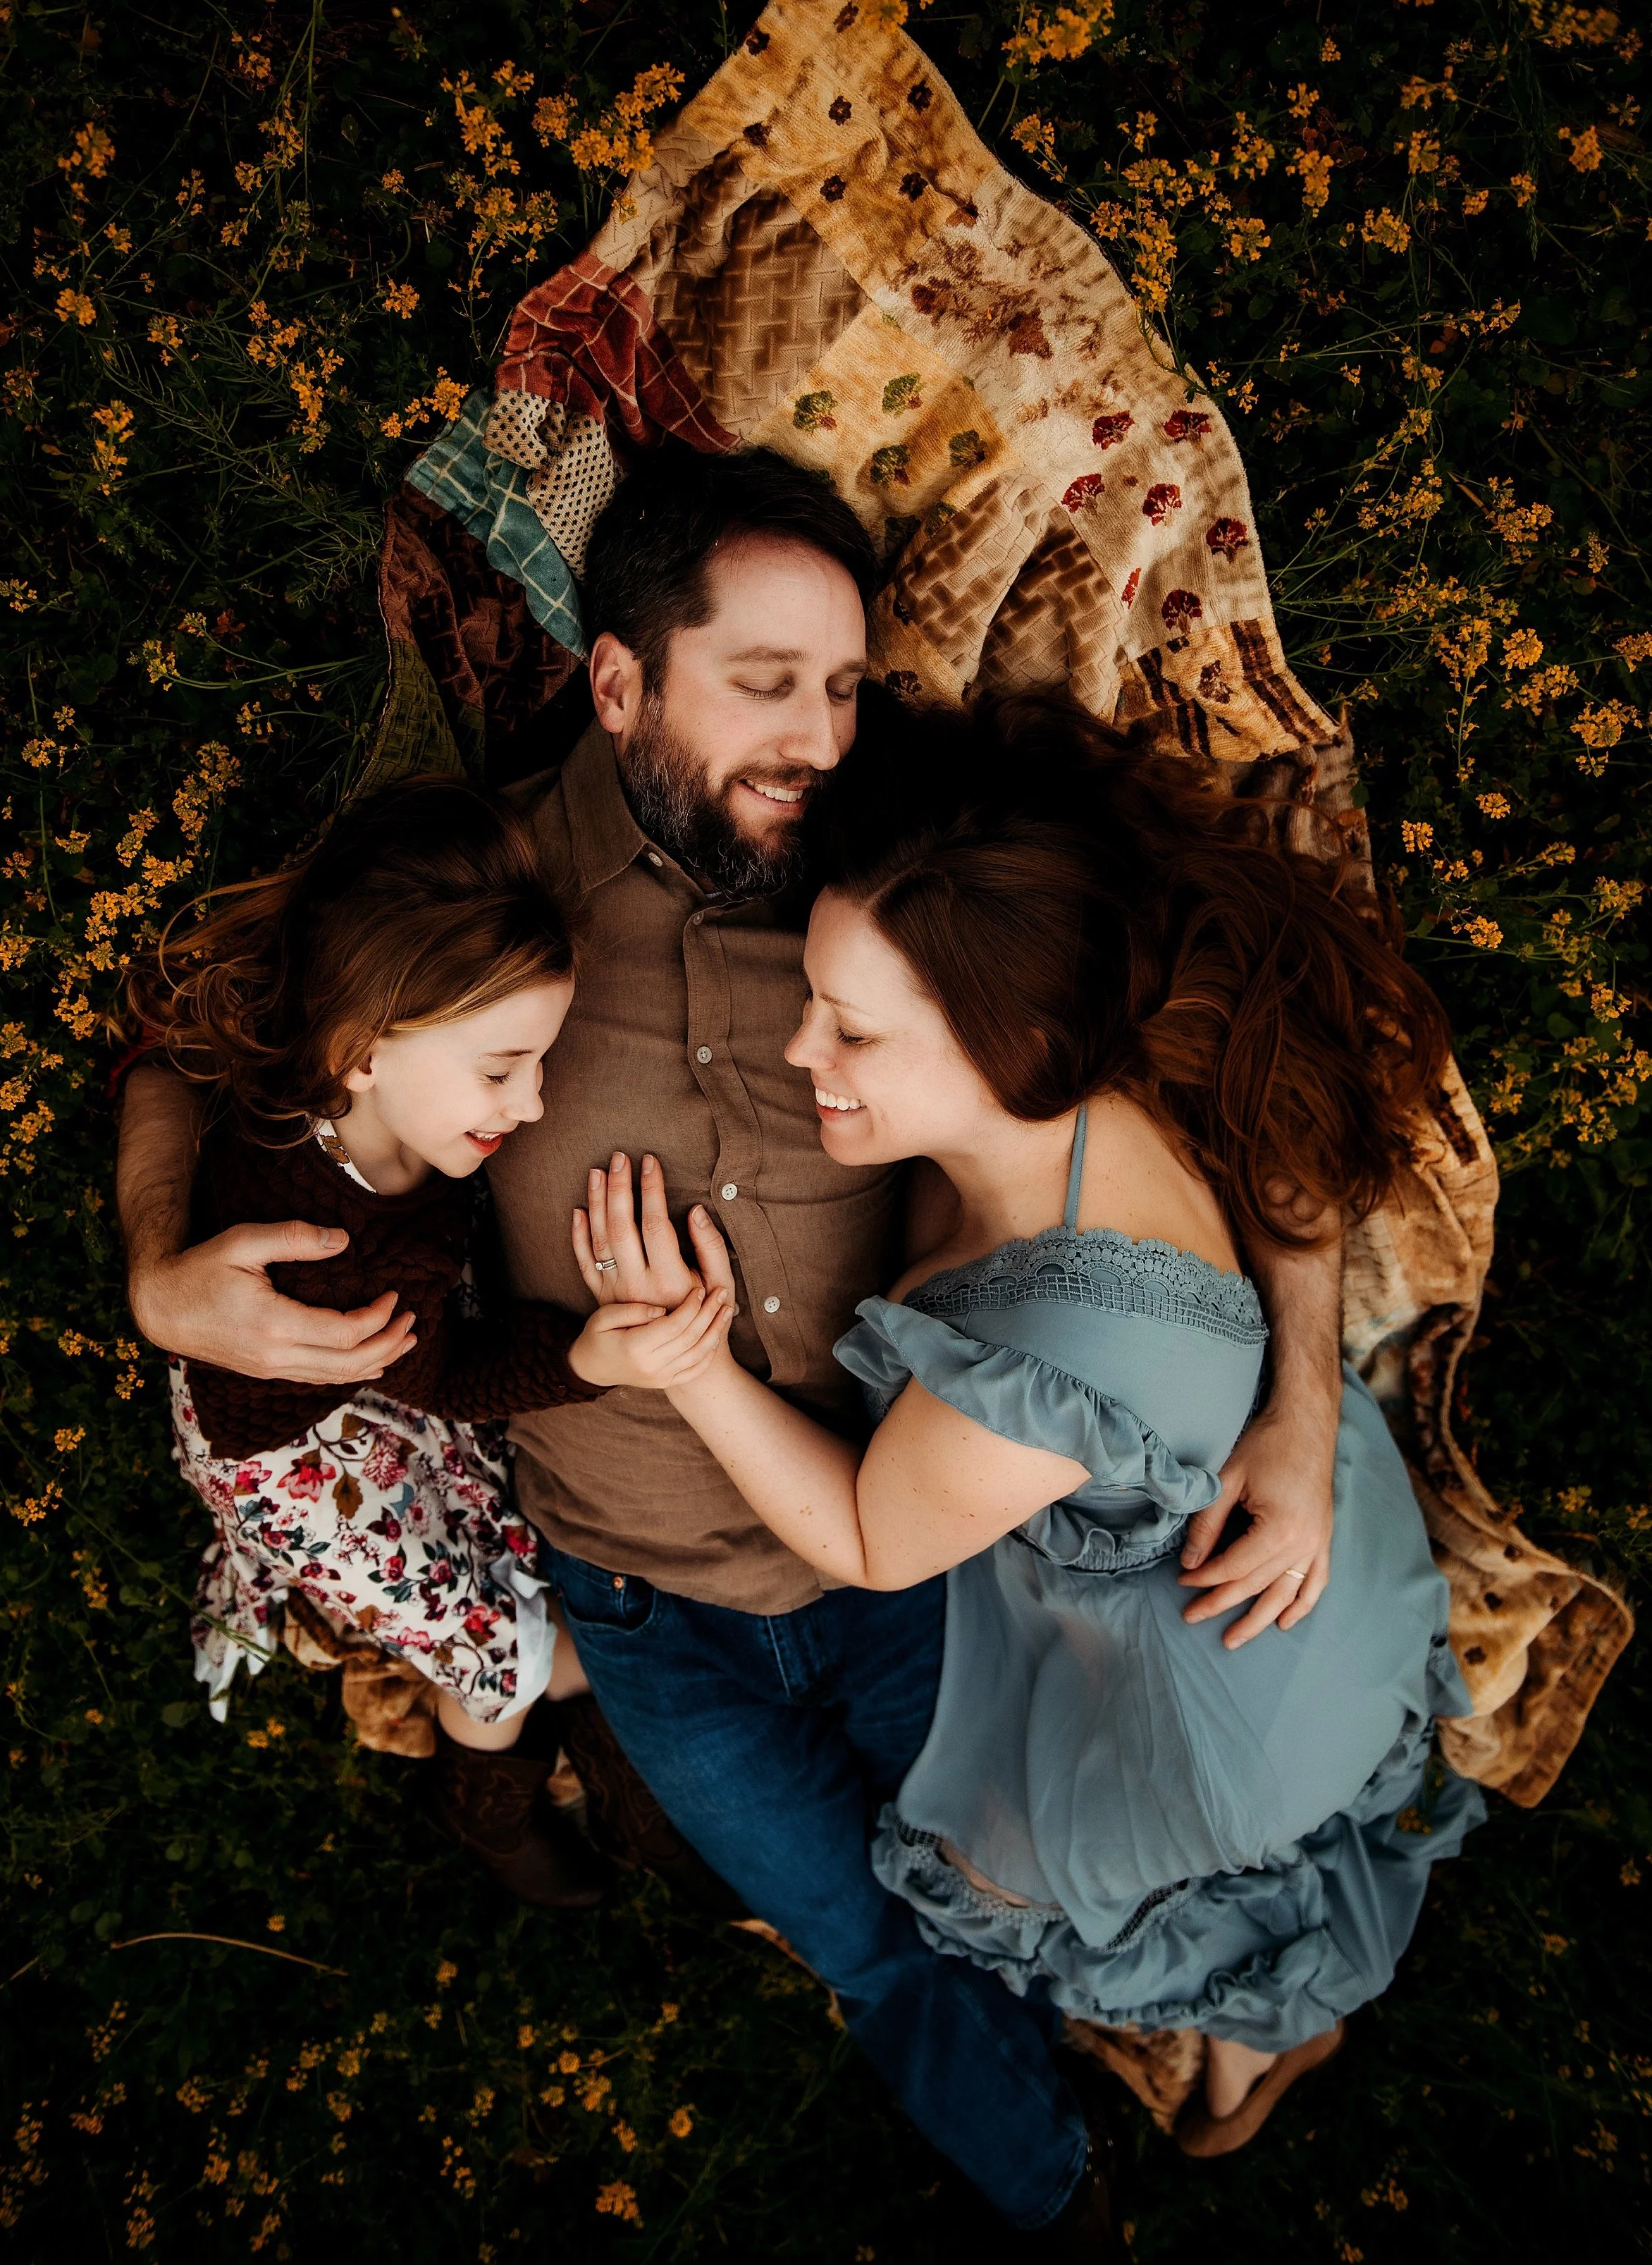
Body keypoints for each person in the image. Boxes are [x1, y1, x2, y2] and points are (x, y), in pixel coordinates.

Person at [116, 446, 1348, 2249]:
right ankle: (1060, 2194)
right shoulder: (479, 892)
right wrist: (157, 1268)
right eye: (763, 686)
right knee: (860, 1937)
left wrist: (1302, 1404)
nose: (818, 740)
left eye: (843, 688)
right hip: (639, 1606)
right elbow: (177, 1044)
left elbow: (1264, 1067)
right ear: (618, 684)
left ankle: (1215, 2011)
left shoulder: (914, 883)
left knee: (1031, 1877)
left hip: (919, 1558)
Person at [596, 688, 1484, 2156]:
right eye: (816, 999)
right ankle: (1278, 1999)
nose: (803, 1050)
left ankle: (1276, 2013)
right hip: (1285, 1519)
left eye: (853, 1031)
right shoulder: (1093, 1041)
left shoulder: (1067, 1343)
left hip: (1217, 1686)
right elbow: (1294, 1150)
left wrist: (686, 1360)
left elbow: (875, 1538)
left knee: (1022, 1882)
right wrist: (1302, 1403)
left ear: (1005, 1036)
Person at [125, 776, 731, 1908]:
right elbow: (453, 1381)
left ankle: (602, 1765)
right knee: (506, 1649)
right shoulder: (342, 1247)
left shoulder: (313, 1086)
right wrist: (591, 1357)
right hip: (285, 1461)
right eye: (502, 1070)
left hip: (366, 1388)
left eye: (536, 1062)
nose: (536, 1104)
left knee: (504, 1535)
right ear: (363, 1049)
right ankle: (485, 1800)